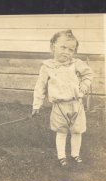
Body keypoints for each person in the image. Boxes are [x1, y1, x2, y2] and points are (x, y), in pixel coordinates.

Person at [32, 30, 93, 167]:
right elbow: (40, 86)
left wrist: (84, 85)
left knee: (77, 131)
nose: (66, 52)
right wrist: (37, 105)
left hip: (76, 104)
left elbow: (88, 74)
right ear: (53, 46)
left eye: (71, 50)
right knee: (61, 131)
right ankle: (61, 156)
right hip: (59, 106)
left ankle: (75, 154)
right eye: (63, 47)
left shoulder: (76, 63)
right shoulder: (47, 67)